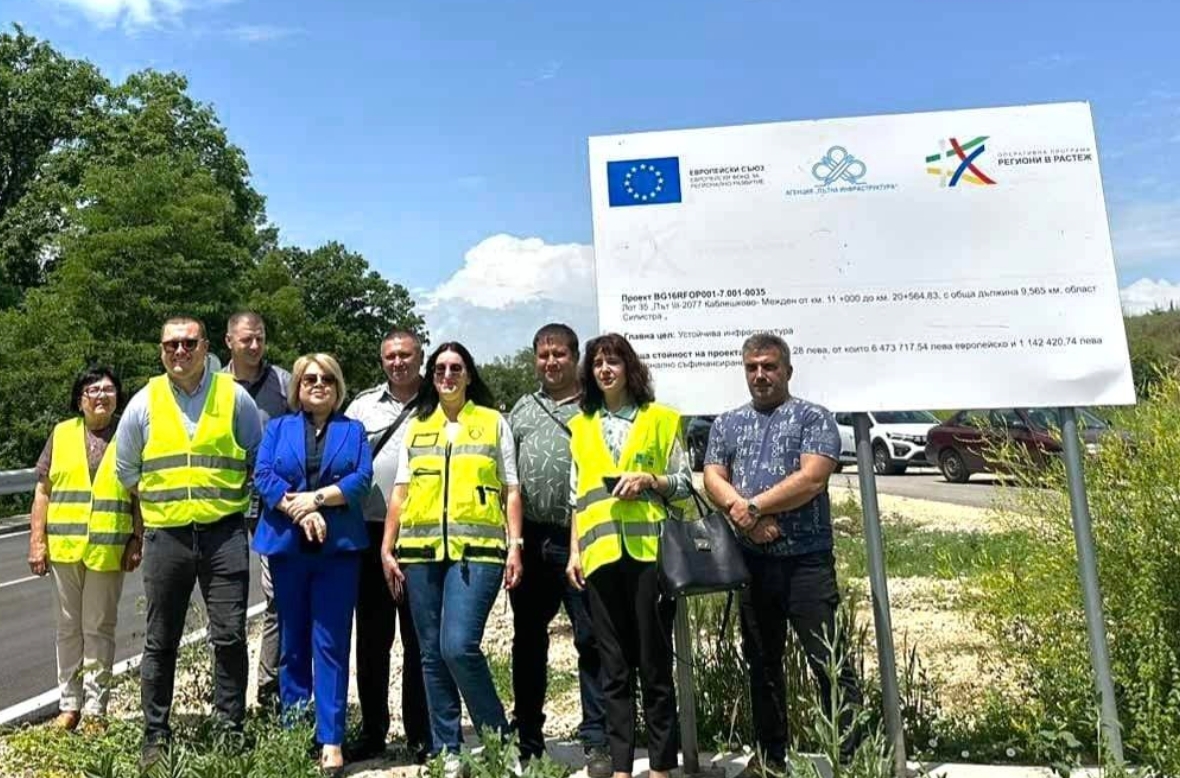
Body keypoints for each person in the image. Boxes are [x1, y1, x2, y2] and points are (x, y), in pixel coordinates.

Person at [702, 333, 863, 776]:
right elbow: (712, 476)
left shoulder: (813, 417)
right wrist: (747, 517)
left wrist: (753, 507)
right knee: (762, 663)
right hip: (752, 563)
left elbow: (812, 479)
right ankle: (770, 760)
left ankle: (852, 759)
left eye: (769, 366)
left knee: (829, 662)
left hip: (805, 563)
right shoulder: (727, 423)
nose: (760, 375)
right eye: (752, 367)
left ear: (787, 370)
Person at [114, 316, 262, 769]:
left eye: (189, 343)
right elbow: (126, 469)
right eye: (171, 345)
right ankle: (156, 735)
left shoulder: (233, 396)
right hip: (167, 538)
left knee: (229, 636)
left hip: (224, 534)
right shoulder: (144, 402)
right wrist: (162, 504)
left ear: (205, 346)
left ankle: (229, 729)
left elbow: (256, 455)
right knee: (161, 640)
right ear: (161, 350)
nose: (180, 351)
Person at [380, 342, 523, 773]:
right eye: (440, 368)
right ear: (431, 376)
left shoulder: (492, 422)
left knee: (458, 646)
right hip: (420, 554)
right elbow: (401, 492)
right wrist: (387, 547)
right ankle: (448, 751)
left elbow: (510, 489)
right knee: (429, 654)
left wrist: (515, 545)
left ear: (468, 374)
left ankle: (500, 743)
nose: (447, 375)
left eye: (455, 367)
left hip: (476, 554)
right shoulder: (418, 426)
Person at [565, 333, 692, 778]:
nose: (605, 370)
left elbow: (685, 484)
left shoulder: (662, 419)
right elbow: (577, 497)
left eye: (613, 362)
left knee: (654, 665)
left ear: (629, 368)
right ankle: (621, 767)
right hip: (600, 557)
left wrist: (650, 480)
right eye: (597, 363)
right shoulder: (581, 426)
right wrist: (574, 552)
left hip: (649, 554)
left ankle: (660, 767)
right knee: (613, 668)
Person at [253, 353, 372, 772]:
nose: (318, 384)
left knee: (331, 643)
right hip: (288, 548)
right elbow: (263, 476)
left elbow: (361, 479)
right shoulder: (278, 429)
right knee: (293, 642)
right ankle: (296, 730)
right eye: (309, 379)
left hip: (338, 551)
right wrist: (300, 511)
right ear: (297, 388)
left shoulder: (353, 430)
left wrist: (316, 500)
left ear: (337, 387)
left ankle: (331, 738)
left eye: (326, 379)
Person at [507, 324, 609, 777]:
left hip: (585, 538)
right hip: (533, 539)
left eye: (559, 354)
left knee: (592, 638)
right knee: (529, 640)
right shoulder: (523, 408)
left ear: (575, 357)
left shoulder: (597, 406)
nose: (550, 362)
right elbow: (507, 475)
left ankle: (597, 739)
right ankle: (528, 736)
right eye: (543, 355)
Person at [28, 366, 142, 732]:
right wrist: (37, 541)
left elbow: (139, 492)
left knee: (99, 628)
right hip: (64, 548)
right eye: (93, 390)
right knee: (67, 628)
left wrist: (137, 538)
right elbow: (43, 492)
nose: (101, 396)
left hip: (108, 548)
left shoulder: (129, 433)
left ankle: (95, 709)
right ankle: (69, 705)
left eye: (108, 389)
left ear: (117, 398)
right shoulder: (61, 433)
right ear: (80, 400)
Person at [344, 329, 430, 762]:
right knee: (373, 640)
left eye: (406, 355)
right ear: (382, 361)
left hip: (422, 533)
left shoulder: (439, 400)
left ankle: (421, 734)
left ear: (420, 356)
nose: (398, 362)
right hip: (370, 532)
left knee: (420, 639)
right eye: (390, 356)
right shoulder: (362, 406)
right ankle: (373, 732)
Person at [222, 310, 292, 708]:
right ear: (229, 341)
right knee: (227, 602)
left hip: (274, 501)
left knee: (278, 596)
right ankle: (228, 698)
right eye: (246, 339)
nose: (254, 345)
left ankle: (269, 689)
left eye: (260, 338)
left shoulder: (284, 383)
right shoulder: (213, 386)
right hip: (226, 502)